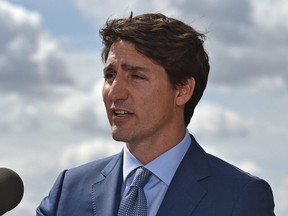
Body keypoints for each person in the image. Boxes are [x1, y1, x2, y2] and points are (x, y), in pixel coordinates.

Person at [36, 13, 275, 216]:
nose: (115, 92)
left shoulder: (240, 197)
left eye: (136, 76)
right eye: (110, 75)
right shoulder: (68, 191)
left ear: (182, 90)